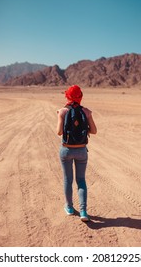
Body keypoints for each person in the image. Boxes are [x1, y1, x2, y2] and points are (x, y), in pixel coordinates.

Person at [57, 85, 97, 221]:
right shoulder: (86, 112)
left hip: (66, 150)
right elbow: (94, 131)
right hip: (81, 150)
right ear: (80, 96)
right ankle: (84, 211)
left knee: (68, 179)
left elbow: (59, 132)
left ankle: (69, 207)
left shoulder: (62, 111)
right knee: (81, 180)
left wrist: (61, 117)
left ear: (67, 96)